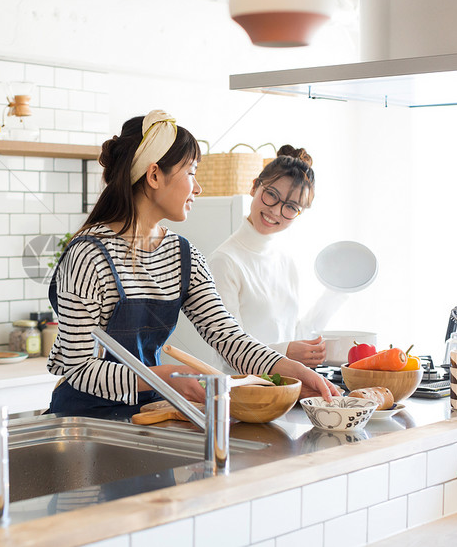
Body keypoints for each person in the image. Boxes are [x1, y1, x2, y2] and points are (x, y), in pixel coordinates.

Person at [46, 111, 339, 418]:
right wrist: (167, 376)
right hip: (84, 422)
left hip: (148, 414)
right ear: (155, 175)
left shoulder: (182, 256)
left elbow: (229, 338)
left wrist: (293, 370)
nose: (197, 188)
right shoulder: (87, 256)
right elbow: (79, 369)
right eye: (191, 173)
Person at [208, 145, 346, 368]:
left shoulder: (285, 260)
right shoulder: (225, 261)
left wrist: (338, 291)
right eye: (272, 194)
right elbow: (229, 350)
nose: (275, 211)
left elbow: (293, 332)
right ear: (254, 187)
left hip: (285, 390)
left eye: (290, 207)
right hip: (241, 395)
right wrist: (286, 352)